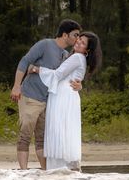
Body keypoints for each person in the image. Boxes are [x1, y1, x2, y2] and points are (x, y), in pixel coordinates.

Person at [10, 19, 82, 170]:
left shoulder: (65, 54)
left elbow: (63, 76)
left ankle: (45, 172)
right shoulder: (45, 44)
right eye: (75, 35)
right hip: (30, 96)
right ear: (64, 34)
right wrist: (16, 86)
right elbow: (25, 61)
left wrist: (79, 84)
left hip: (47, 101)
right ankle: (23, 172)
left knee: (42, 139)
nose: (77, 38)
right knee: (25, 135)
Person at [26, 31, 102, 172]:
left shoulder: (77, 57)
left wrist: (36, 69)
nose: (78, 42)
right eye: (79, 39)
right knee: (64, 130)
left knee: (59, 128)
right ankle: (66, 166)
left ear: (87, 50)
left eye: (83, 43)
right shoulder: (75, 57)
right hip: (67, 96)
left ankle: (59, 168)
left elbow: (57, 75)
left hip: (63, 98)